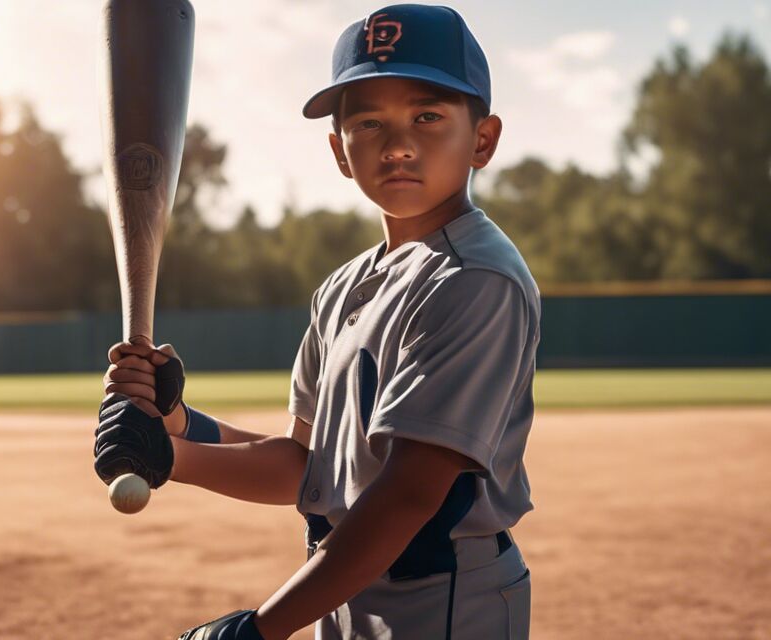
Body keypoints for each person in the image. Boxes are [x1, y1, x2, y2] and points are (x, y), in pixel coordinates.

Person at [94, 6, 538, 638]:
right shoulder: (343, 287)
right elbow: (305, 466)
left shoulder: (473, 280)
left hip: (442, 600)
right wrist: (177, 437)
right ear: (339, 151)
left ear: (484, 140)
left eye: (428, 116)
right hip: (346, 578)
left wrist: (260, 629)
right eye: (368, 122)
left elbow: (407, 498)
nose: (399, 143)